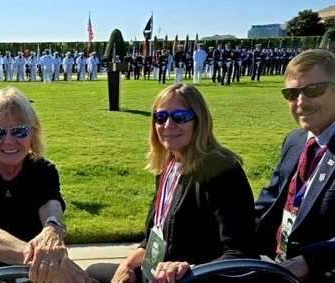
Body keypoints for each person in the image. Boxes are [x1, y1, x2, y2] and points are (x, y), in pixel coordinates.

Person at [86, 84, 257, 283]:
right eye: (161, 117)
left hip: (193, 277)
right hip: (157, 272)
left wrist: (187, 269)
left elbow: (241, 254)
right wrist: (127, 265)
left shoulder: (221, 169)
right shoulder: (169, 164)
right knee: (91, 273)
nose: (168, 125)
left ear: (198, 121)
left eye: (180, 116)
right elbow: (155, 234)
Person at [0, 87, 92, 283]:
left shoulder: (42, 170)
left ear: (33, 134)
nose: (9, 141)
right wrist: (44, 262)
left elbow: (51, 205)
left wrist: (52, 230)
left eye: (20, 131)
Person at [255, 49, 335, 282]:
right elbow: (266, 203)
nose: (301, 102)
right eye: (292, 93)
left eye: (313, 90)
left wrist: (309, 262)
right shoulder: (295, 140)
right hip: (274, 262)